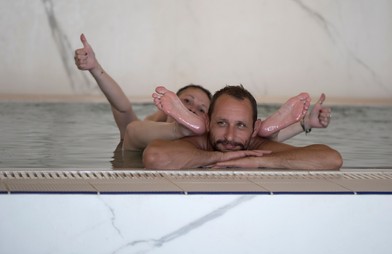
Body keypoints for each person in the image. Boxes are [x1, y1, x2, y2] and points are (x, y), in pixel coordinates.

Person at [74, 34, 331, 152]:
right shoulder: (148, 126)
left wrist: (305, 123)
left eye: (200, 110)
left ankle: (264, 127)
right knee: (131, 131)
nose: (194, 109)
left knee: (241, 136)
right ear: (167, 108)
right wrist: (95, 68)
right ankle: (181, 130)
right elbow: (122, 107)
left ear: (205, 121)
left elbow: (243, 138)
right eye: (186, 102)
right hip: (138, 155)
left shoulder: (209, 136)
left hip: (183, 151)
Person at [143, 85, 343, 170]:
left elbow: (331, 159)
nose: (229, 136)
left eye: (240, 125)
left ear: (254, 129)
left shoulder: (257, 146)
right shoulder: (199, 142)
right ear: (208, 123)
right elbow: (154, 157)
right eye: (221, 123)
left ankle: (279, 127)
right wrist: (219, 157)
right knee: (135, 134)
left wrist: (260, 163)